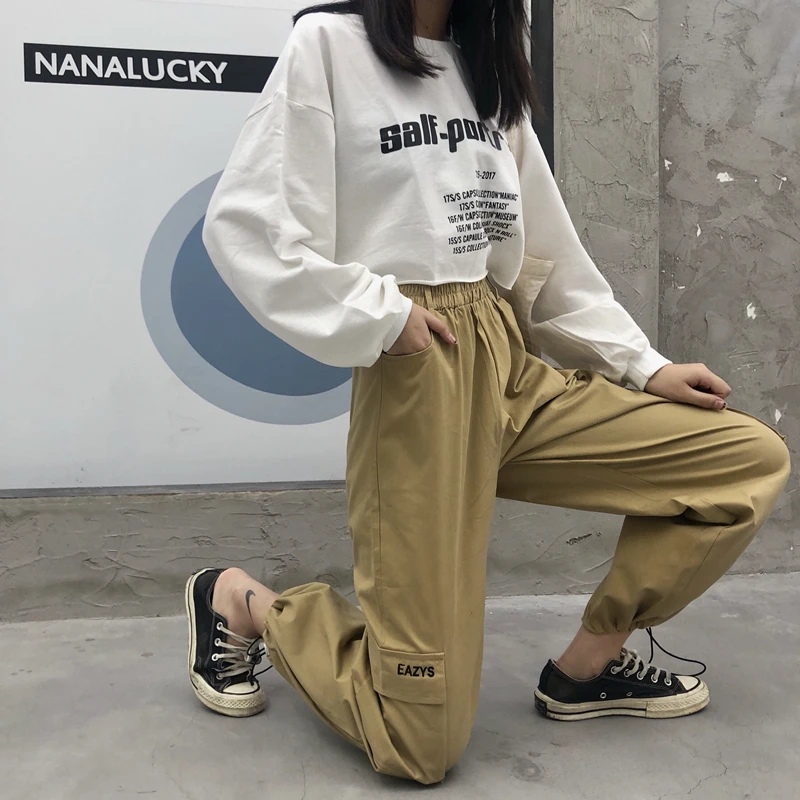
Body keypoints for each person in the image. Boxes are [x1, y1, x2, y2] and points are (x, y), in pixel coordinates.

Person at [184, 0, 790, 785]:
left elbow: (543, 254)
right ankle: (244, 602)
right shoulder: (329, 45)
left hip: (508, 363)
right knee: (418, 743)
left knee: (741, 461)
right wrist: (383, 316)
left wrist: (642, 365)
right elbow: (248, 224)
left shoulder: (488, 68)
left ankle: (588, 667)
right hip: (420, 372)